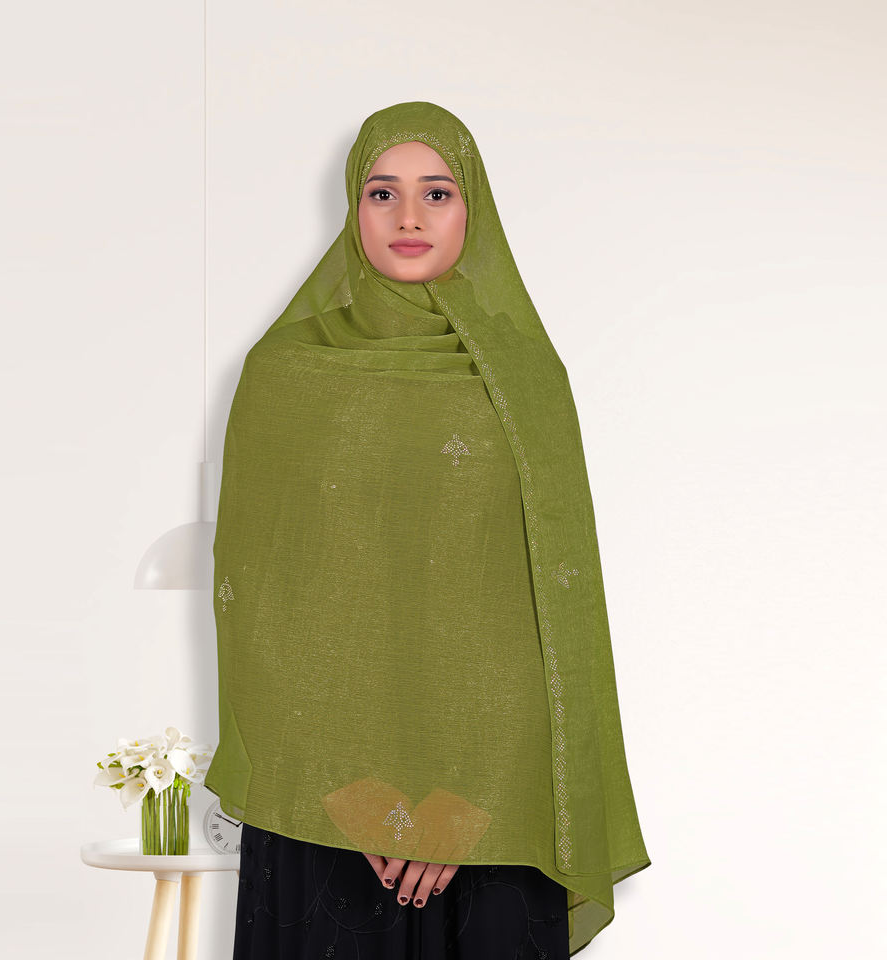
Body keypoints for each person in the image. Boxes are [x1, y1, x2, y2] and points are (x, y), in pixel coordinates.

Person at [205, 101, 651, 959]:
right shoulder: (285, 373)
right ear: (353, 207)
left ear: (471, 209)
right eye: (383, 193)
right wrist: (356, 796)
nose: (409, 217)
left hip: (493, 811)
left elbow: (552, 614)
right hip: (322, 807)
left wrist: (464, 804)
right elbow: (256, 609)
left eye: (436, 193)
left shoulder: (526, 378)